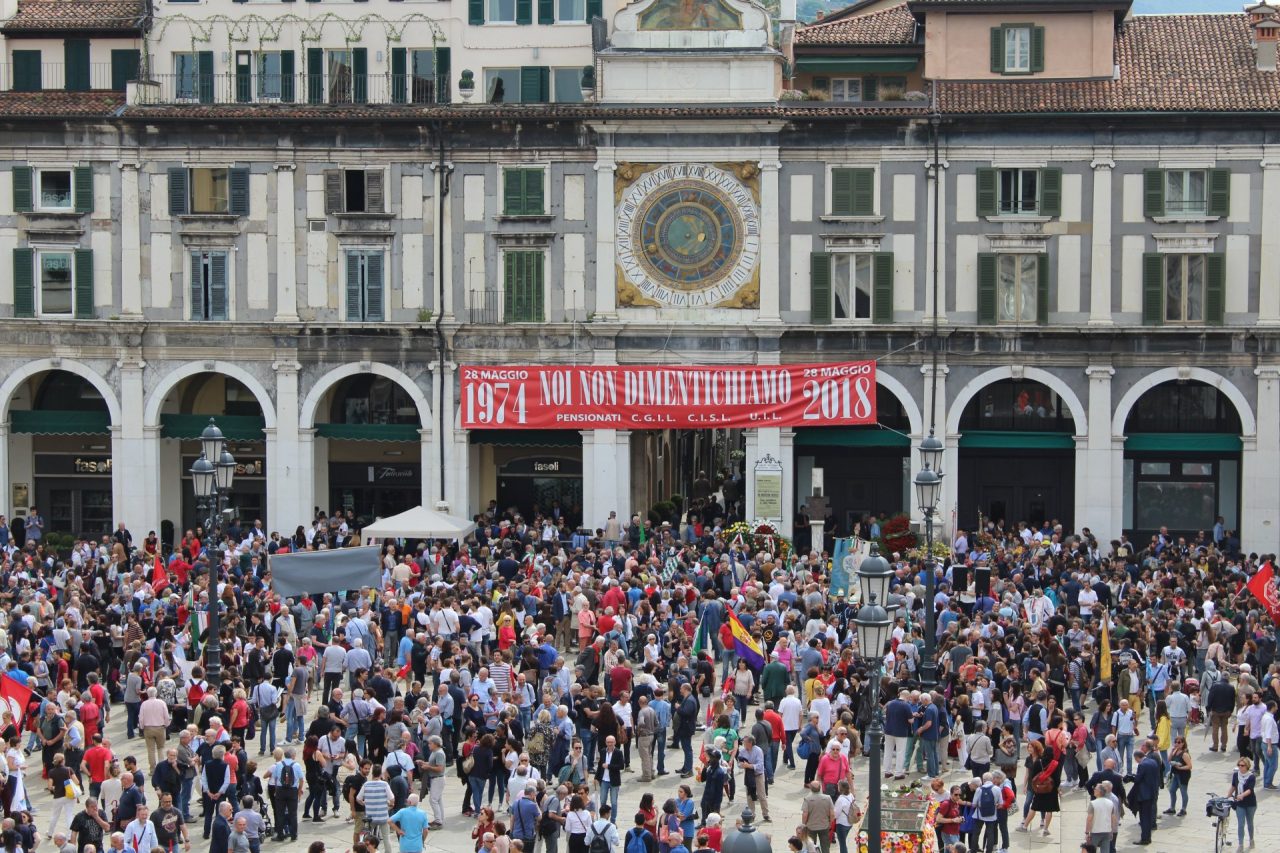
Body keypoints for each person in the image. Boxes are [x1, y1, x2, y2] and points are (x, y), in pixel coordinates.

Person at [1130, 744, 1162, 846]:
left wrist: (1131, 777)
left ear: (1136, 758)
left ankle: (1144, 838)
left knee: (1144, 818)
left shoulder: (1142, 765)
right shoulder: (1152, 762)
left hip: (1144, 795)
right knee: (1148, 817)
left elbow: (1138, 779)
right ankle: (1148, 838)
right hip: (1152, 793)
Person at [1228, 756, 1257, 849]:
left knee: (1250, 823)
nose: (1240, 767)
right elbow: (1233, 786)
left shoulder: (1251, 776)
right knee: (1241, 823)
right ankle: (1240, 844)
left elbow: (1250, 790)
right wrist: (1228, 796)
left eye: (1242, 765)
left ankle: (1251, 839)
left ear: (1247, 766)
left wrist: (1242, 795)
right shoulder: (1236, 775)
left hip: (1250, 803)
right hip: (1239, 803)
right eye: (1239, 765)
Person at [801, 781, 834, 853]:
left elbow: (805, 814)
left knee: (811, 847)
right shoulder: (828, 798)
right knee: (825, 846)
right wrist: (831, 823)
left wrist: (803, 824)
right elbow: (832, 813)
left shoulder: (807, 799)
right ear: (820, 788)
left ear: (811, 788)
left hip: (811, 827)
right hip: (824, 826)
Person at [1164, 735, 1192, 817]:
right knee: (1172, 790)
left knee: (1183, 792)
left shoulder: (1185, 754)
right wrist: (1172, 752)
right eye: (1175, 742)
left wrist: (1180, 767)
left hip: (1183, 775)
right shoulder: (1175, 751)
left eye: (1179, 742)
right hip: (1175, 774)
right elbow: (1168, 760)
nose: (1176, 744)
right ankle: (1172, 808)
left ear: (1183, 743)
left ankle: (1183, 809)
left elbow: (1189, 766)